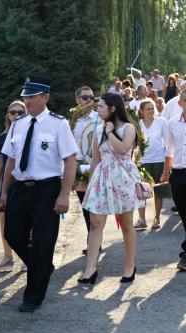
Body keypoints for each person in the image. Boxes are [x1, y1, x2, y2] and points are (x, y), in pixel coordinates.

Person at [0, 75, 78, 312]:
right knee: (12, 235)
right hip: (20, 188)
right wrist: (4, 191)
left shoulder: (58, 124)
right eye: (26, 96)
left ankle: (32, 297)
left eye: (33, 96)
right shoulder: (18, 124)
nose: (28, 101)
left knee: (44, 242)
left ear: (46, 97)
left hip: (47, 189)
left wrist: (64, 195)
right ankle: (42, 266)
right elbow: (10, 160)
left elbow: (70, 160)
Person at [79, 93, 142, 285]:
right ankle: (90, 269)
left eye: (101, 106)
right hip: (102, 178)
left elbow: (123, 149)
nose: (97, 109)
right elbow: (95, 159)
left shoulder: (128, 128)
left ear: (112, 108)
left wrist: (111, 132)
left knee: (126, 224)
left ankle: (130, 266)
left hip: (123, 178)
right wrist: (90, 185)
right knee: (95, 223)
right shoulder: (98, 130)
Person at [0, 100, 27, 272]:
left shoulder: (30, 133)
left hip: (24, 183)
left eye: (20, 112)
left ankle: (27, 257)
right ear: (8, 115)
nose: (16, 115)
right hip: (7, 184)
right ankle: (7, 256)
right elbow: (0, 162)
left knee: (26, 221)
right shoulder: (3, 137)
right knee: (4, 219)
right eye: (13, 112)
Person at [72, 86, 101, 254]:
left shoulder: (98, 118)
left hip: (95, 165)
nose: (89, 100)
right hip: (78, 167)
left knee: (95, 204)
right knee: (85, 205)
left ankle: (94, 241)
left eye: (91, 97)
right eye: (85, 97)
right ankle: (93, 239)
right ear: (77, 100)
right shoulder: (72, 119)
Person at [134, 99, 170, 230]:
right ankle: (142, 219)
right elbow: (134, 144)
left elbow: (168, 143)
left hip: (159, 160)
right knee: (141, 191)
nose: (151, 111)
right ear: (141, 112)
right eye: (148, 109)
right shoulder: (137, 124)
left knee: (158, 191)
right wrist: (136, 159)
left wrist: (168, 162)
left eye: (152, 108)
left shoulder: (161, 122)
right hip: (142, 161)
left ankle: (157, 218)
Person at [163, 90, 186, 270]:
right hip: (178, 174)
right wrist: (165, 173)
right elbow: (169, 150)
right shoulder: (172, 123)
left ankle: (185, 254)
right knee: (184, 214)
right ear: (180, 103)